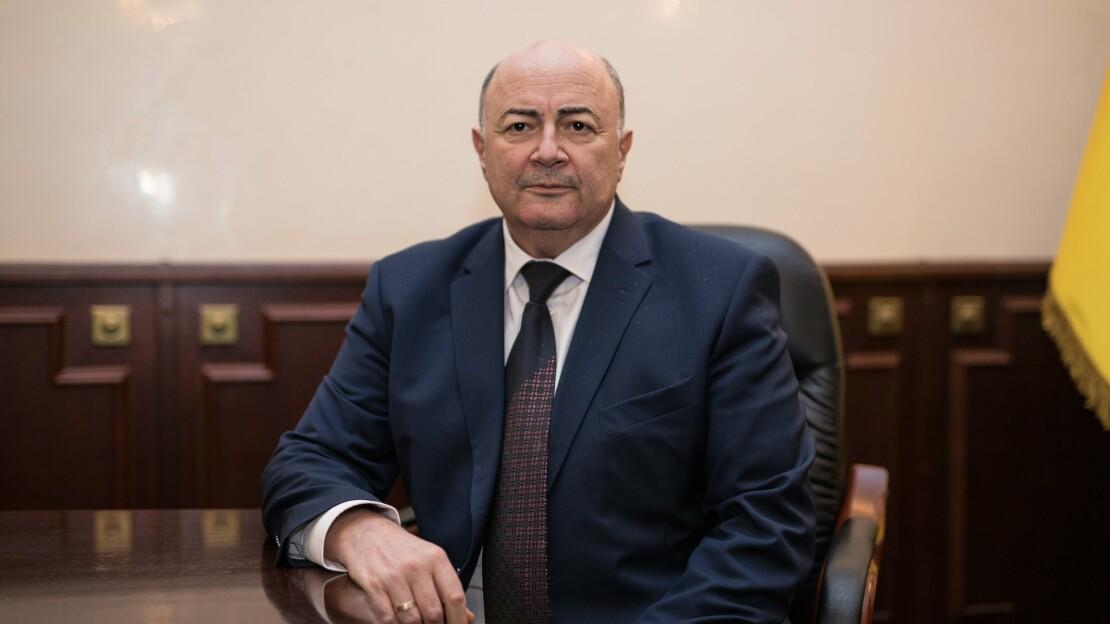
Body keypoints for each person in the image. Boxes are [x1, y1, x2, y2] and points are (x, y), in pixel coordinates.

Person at [261, 41, 815, 624]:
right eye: (520, 126)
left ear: (622, 150)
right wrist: (358, 529)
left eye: (578, 126)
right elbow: (309, 459)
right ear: (482, 151)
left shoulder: (719, 291)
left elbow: (766, 525)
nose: (547, 151)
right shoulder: (409, 290)